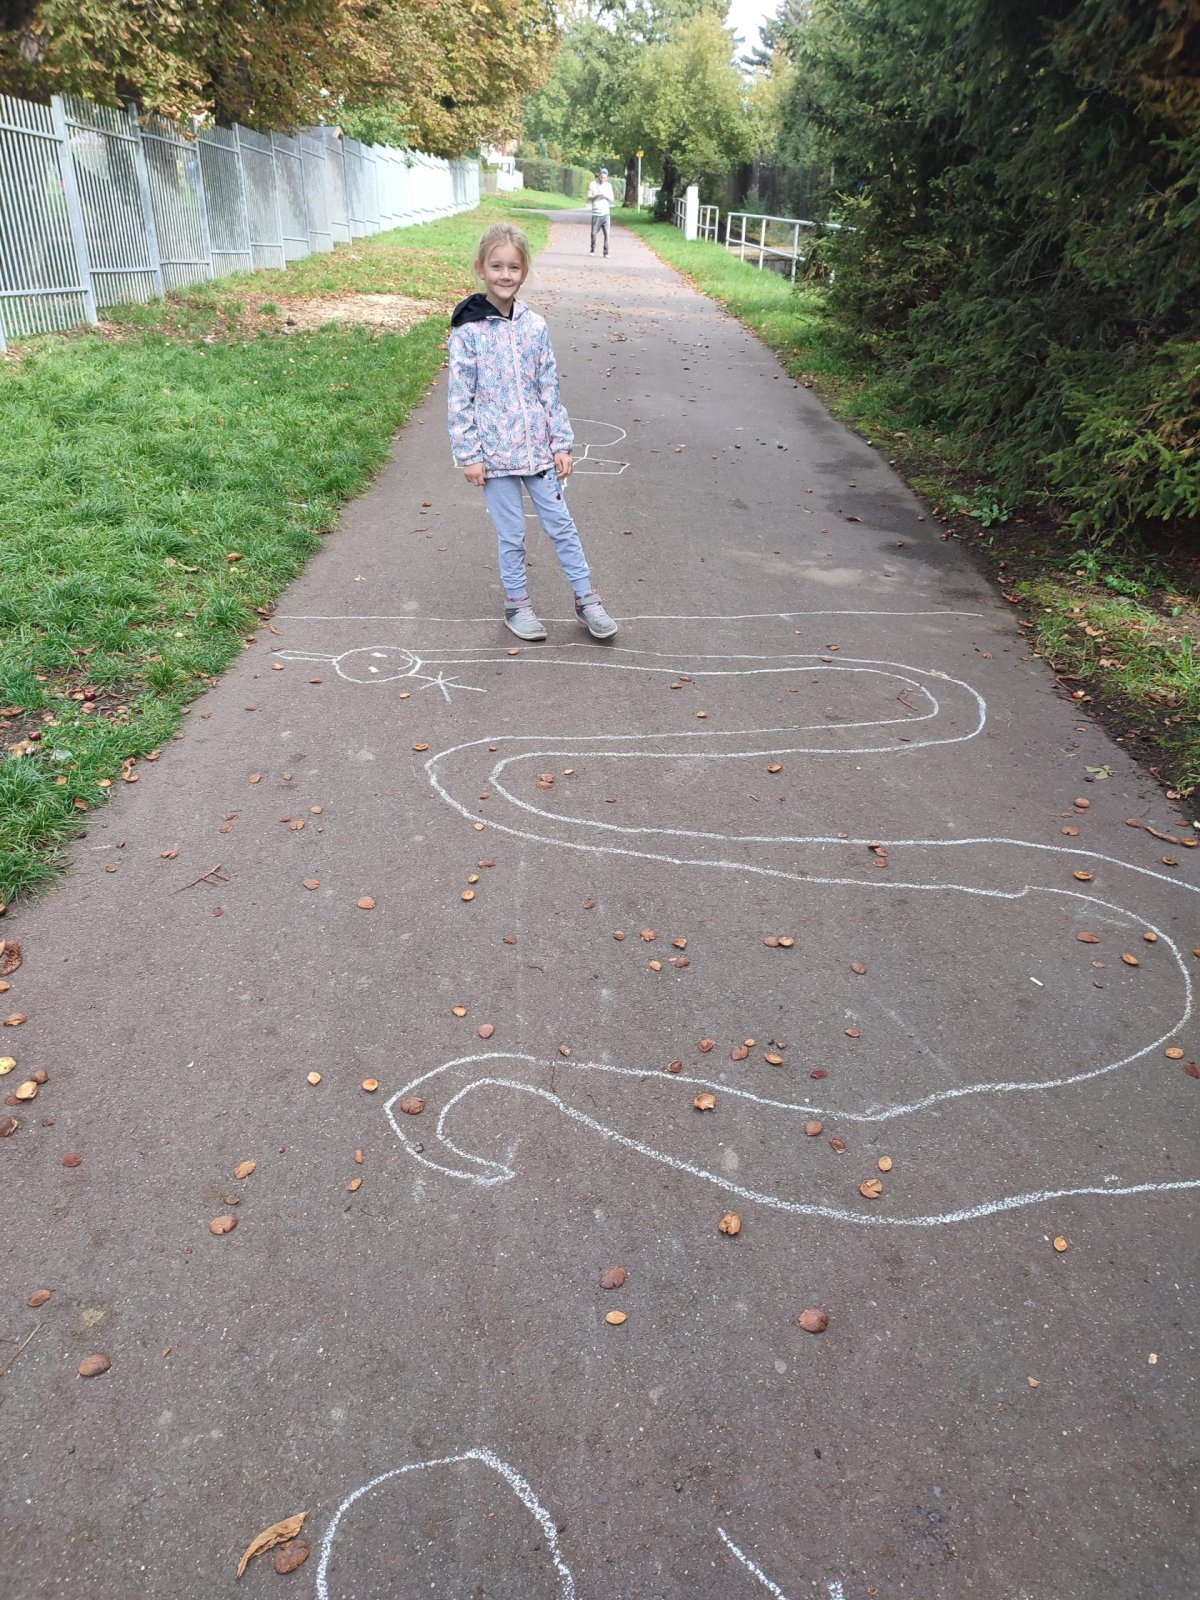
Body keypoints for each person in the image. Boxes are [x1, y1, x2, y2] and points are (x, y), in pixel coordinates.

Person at [447, 222, 619, 643]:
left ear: (524, 272)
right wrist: (470, 455)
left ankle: (587, 599)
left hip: (539, 454)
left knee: (562, 526)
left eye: (514, 267)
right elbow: (460, 397)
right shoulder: (468, 331)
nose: (505, 275)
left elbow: (549, 388)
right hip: (495, 458)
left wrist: (561, 443)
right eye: (496, 266)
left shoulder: (534, 326)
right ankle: (517, 605)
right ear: (481, 269)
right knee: (512, 535)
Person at [587, 167, 614, 257]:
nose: (603, 179)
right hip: (596, 213)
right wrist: (596, 196)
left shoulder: (609, 186)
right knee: (593, 233)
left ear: (607, 178)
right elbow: (589, 197)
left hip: (606, 214)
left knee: (607, 234)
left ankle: (606, 252)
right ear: (599, 176)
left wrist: (605, 196)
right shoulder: (593, 184)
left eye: (604, 178)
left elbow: (612, 199)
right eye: (601, 177)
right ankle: (592, 249)